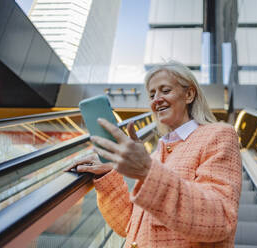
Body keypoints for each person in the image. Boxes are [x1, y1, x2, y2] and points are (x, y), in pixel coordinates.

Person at [67, 61, 242, 247]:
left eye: (165, 91)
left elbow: (220, 219)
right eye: (152, 94)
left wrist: (147, 171)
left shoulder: (219, 134)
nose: (156, 99)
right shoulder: (157, 153)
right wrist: (108, 176)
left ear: (189, 94)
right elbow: (128, 225)